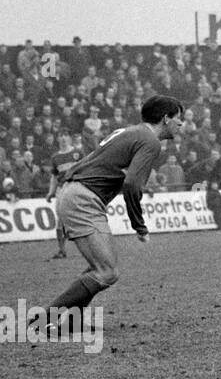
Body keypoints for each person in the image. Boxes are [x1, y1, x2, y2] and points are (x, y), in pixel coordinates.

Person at [38, 95, 184, 337]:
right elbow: (132, 185)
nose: (181, 124)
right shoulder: (150, 142)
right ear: (166, 118)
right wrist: (140, 226)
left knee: (98, 266)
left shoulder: (130, 132)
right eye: (179, 119)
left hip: (75, 192)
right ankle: (44, 318)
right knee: (107, 272)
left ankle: (72, 321)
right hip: (83, 198)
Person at [45, 132, 80, 260]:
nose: (64, 137)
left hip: (76, 188)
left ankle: (92, 247)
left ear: (70, 138)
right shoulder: (55, 157)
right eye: (61, 135)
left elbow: (86, 169)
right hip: (62, 189)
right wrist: (50, 192)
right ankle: (62, 250)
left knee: (82, 218)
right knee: (60, 220)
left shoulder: (78, 153)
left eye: (66, 135)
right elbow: (54, 177)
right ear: (58, 138)